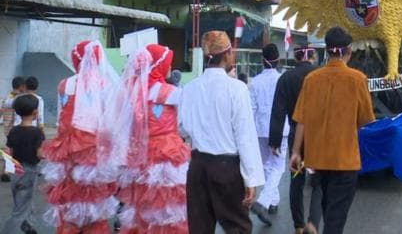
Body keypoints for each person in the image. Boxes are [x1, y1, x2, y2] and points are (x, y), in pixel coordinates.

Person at [290, 27, 375, 234]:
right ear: (349, 51)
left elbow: (301, 119)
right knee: (335, 221)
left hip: (318, 160)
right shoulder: (358, 79)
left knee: (328, 211)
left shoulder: (312, 79)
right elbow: (365, 120)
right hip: (345, 161)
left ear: (327, 51)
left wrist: (295, 152)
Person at [179, 31, 264, 234]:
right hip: (226, 169)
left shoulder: (190, 88)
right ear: (227, 54)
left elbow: (181, 128)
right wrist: (251, 179)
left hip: (198, 167)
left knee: (199, 228)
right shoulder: (237, 89)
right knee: (238, 227)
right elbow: (245, 137)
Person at [107, 44, 190, 233]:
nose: (170, 66)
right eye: (168, 62)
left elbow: (122, 124)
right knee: (167, 207)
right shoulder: (170, 92)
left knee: (142, 205)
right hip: (167, 154)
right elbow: (184, 125)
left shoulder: (132, 91)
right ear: (160, 65)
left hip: (139, 154)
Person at [42, 40, 120, 233]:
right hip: (94, 147)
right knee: (93, 195)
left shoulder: (64, 84)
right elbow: (110, 121)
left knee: (70, 192)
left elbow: (62, 116)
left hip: (68, 147)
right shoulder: (105, 84)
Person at [269, 43, 322, 234]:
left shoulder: (286, 78)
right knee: (318, 181)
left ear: (296, 57)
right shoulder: (320, 74)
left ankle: (298, 225)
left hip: (295, 136)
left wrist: (274, 141)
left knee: (296, 180)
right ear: (311, 56)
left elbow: (278, 111)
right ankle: (313, 223)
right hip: (318, 136)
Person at [249, 44, 284, 225]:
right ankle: (263, 201)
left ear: (262, 60)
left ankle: (273, 201)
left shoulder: (254, 82)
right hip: (280, 130)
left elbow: (252, 109)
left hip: (260, 129)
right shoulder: (282, 80)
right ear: (278, 60)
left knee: (267, 165)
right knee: (278, 167)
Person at [0, 94, 45, 234]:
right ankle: (8, 230)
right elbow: (40, 154)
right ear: (35, 112)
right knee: (20, 208)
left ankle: (28, 225)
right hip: (29, 171)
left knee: (23, 201)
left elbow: (8, 151)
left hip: (15, 170)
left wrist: (5, 170)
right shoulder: (38, 133)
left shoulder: (14, 131)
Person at [1, 76, 27, 183]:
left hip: (7, 129)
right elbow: (18, 116)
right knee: (15, 150)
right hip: (16, 129)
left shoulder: (7, 98)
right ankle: (8, 171)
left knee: (9, 149)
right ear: (21, 86)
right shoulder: (19, 99)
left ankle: (6, 170)